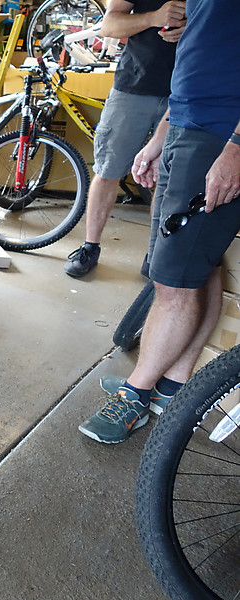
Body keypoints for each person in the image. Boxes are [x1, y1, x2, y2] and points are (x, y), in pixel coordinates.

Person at [79, 0, 240, 443]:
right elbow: (197, 59)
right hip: (187, 125)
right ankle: (171, 388)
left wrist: (237, 147)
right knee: (195, 269)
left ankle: (136, 396)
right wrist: (160, 138)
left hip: (218, 135)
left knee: (173, 283)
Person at [63, 0, 186, 278]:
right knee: (108, 170)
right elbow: (110, 25)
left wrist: (192, 29)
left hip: (184, 91)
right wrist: (155, 17)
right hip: (133, 86)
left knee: (169, 180)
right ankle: (89, 247)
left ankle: (156, 254)